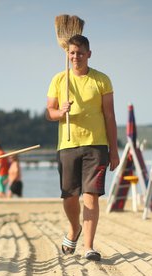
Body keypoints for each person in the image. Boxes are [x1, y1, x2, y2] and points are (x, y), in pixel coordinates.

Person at [46, 34, 119, 261]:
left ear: (89, 54)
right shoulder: (59, 79)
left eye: (79, 52)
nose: (75, 56)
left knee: (91, 196)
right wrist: (62, 111)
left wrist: (114, 151)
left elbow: (109, 115)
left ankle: (88, 246)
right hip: (68, 145)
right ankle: (74, 228)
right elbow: (50, 112)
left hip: (96, 145)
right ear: (67, 55)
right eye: (72, 53)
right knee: (69, 196)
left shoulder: (102, 80)